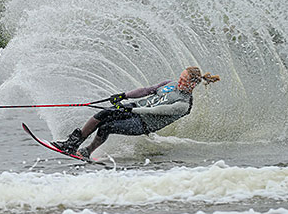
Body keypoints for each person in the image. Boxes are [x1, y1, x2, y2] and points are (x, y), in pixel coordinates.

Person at [52, 67, 220, 159]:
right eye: (180, 77)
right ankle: (72, 143)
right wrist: (123, 96)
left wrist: (129, 109)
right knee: (103, 114)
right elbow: (147, 91)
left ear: (192, 85)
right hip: (134, 107)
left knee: (107, 127)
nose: (179, 81)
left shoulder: (183, 104)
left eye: (184, 80)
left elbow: (155, 110)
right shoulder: (170, 83)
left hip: (143, 123)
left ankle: (87, 151)